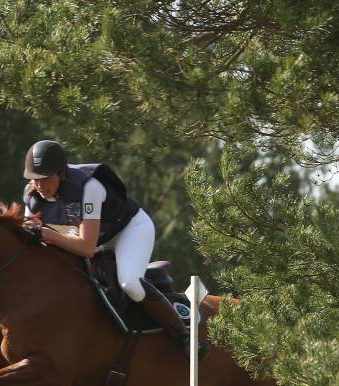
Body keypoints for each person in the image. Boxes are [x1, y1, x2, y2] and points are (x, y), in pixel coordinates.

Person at [21, 139, 203, 358]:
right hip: (93, 239)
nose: (40, 186)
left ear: (61, 173)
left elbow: (87, 247)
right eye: (35, 179)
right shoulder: (32, 196)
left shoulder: (88, 187)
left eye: (46, 178)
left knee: (130, 283)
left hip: (129, 231)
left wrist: (48, 234)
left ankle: (184, 336)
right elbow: (33, 239)